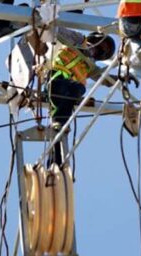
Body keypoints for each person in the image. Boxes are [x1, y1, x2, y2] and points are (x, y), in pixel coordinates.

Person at [42, 30, 115, 165]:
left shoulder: (89, 65)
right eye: (97, 46)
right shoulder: (78, 40)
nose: (95, 51)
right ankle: (59, 125)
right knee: (73, 92)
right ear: (93, 40)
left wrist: (122, 78)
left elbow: (104, 78)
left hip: (70, 91)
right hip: (56, 79)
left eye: (100, 52)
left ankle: (56, 158)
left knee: (61, 122)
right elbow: (58, 30)